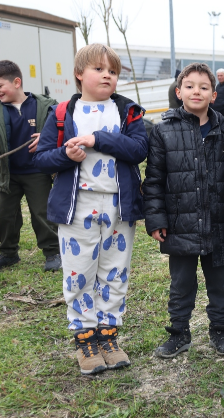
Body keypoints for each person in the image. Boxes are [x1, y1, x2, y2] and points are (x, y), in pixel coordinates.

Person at [33, 43, 148, 375]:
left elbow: (139, 149)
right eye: (100, 69)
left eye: (113, 71)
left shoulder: (129, 112)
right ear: (79, 74)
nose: (107, 76)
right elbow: (41, 159)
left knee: (115, 272)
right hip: (77, 208)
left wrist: (98, 139)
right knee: (79, 272)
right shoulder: (60, 114)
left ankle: (109, 336)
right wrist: (65, 157)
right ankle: (85, 340)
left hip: (118, 208)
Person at [144, 63, 224, 359]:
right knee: (181, 283)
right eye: (189, 86)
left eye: (203, 87)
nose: (196, 91)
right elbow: (154, 179)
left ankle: (220, 330)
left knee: (220, 283)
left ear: (214, 94)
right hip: (180, 223)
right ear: (178, 92)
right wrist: (156, 219)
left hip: (220, 222)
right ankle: (179, 332)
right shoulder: (163, 131)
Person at [0, 60, 61, 272]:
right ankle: (8, 253)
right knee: (5, 215)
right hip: (8, 173)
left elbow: (60, 129)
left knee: (42, 212)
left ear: (17, 82)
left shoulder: (45, 105)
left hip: (37, 171)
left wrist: (48, 138)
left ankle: (52, 252)